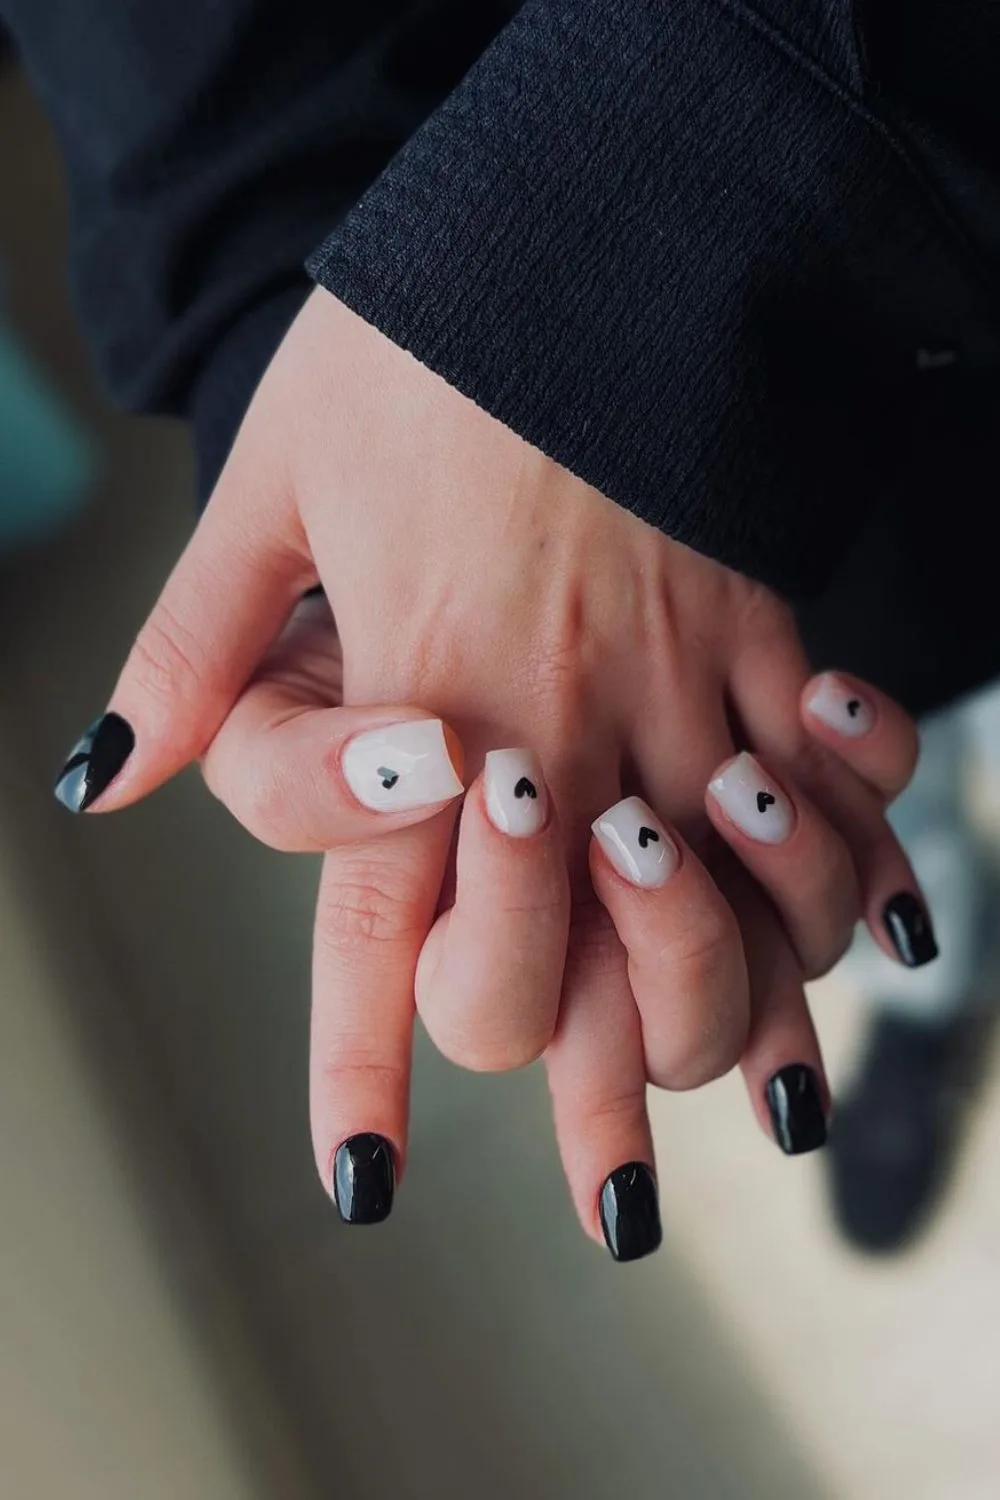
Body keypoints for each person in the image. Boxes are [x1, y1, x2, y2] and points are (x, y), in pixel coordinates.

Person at [5, 0, 999, 1261]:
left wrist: (595, 225)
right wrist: (317, 366)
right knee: (822, 835)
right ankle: (935, 984)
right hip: (739, 634)